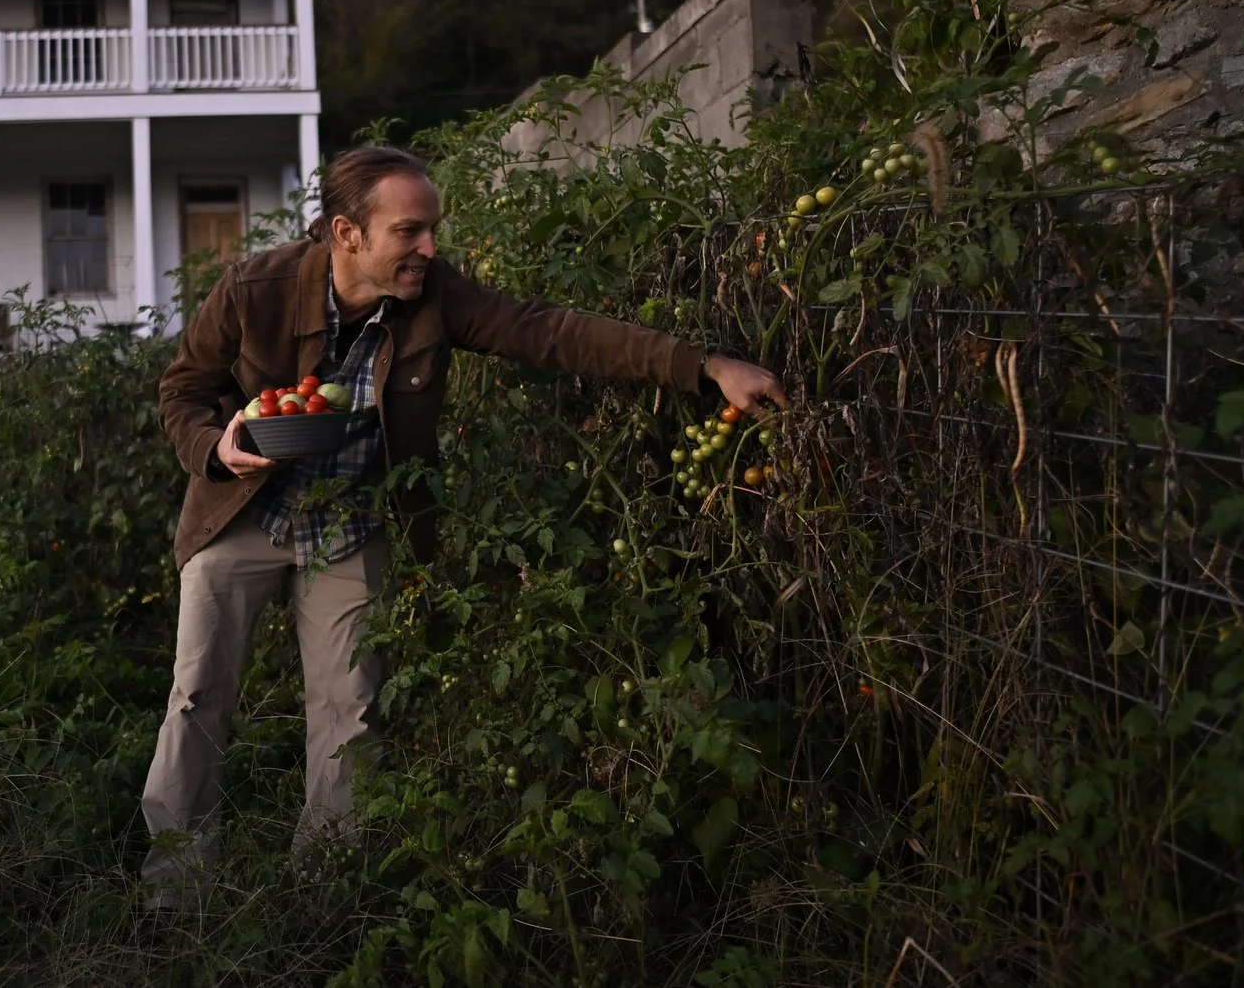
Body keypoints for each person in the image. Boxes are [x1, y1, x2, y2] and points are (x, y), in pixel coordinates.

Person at [140, 145, 784, 905]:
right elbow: (182, 390)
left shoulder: (435, 296)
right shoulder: (257, 286)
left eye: (432, 229)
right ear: (347, 233)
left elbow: (553, 331)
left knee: (350, 716)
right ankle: (172, 898)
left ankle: (325, 899)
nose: (430, 248)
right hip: (243, 511)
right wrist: (216, 446)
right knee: (197, 697)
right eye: (410, 231)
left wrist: (702, 365)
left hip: (350, 525)